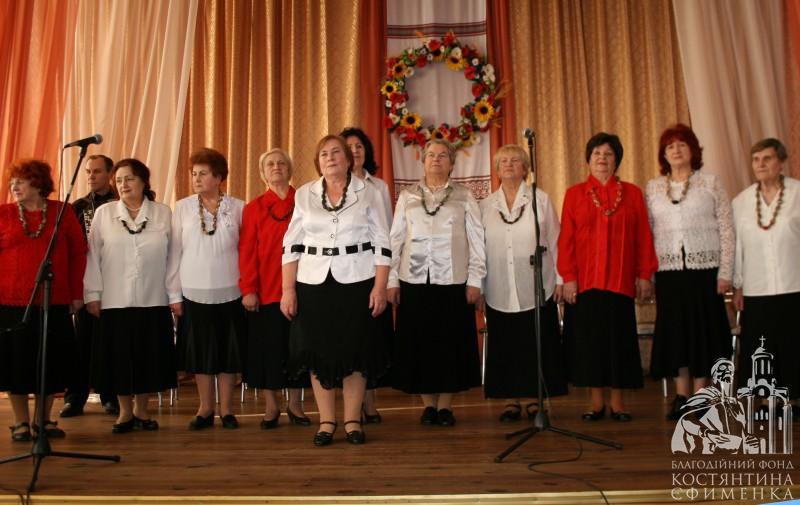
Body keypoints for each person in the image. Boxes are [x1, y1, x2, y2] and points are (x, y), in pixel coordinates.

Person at [281, 134, 391, 446]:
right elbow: (291, 244)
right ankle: (327, 421)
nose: (330, 158)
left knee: (354, 351)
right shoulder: (305, 194)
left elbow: (383, 242)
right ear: (318, 162)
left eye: (336, 152)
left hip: (357, 280)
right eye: (324, 154)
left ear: (348, 158)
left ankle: (353, 420)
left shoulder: (369, 192)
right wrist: (288, 289)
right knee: (317, 352)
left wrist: (380, 287)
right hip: (313, 283)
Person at [558, 132, 658, 422]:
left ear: (617, 160)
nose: (602, 158)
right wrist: (569, 277)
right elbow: (566, 240)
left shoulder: (633, 194)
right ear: (588, 159)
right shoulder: (574, 194)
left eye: (608, 154)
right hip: (585, 283)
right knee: (591, 345)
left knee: (618, 344)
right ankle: (596, 403)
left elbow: (643, 237)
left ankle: (618, 403)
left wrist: (644, 274)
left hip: (620, 282)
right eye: (597, 153)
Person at [388, 138, 485, 427]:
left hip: (452, 281)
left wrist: (475, 279)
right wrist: (392, 280)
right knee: (419, 343)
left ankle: (445, 407)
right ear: (423, 160)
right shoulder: (407, 196)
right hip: (413, 280)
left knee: (449, 344)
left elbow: (477, 240)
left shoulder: (464, 196)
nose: (436, 159)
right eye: (431, 154)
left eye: (443, 155)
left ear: (452, 163)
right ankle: (428, 405)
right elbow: (395, 240)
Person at [84, 158, 181, 434]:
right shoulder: (104, 214)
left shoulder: (162, 213)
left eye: (129, 178)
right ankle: (124, 412)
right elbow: (93, 257)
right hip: (113, 299)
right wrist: (92, 293)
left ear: (143, 181)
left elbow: (173, 257)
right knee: (119, 358)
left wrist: (174, 295)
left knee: (148, 356)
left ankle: (142, 410)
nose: (123, 184)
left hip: (154, 297)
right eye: (118, 180)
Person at [645, 124, 734, 420]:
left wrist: (726, 272)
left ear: (693, 150)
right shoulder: (653, 188)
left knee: (703, 332)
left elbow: (726, 228)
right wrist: (648, 274)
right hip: (668, 272)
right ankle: (682, 396)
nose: (676, 150)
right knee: (676, 333)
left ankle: (701, 395)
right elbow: (647, 233)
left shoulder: (711, 183)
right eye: (670, 146)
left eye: (682, 144)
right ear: (664, 154)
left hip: (705, 270)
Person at [479, 144, 566, 422]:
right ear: (496, 169)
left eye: (515, 160)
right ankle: (510, 399)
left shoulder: (540, 199)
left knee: (534, 344)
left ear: (526, 168)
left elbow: (556, 241)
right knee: (506, 344)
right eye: (503, 161)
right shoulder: (485, 205)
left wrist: (561, 279)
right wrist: (478, 286)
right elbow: (477, 249)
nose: (508, 164)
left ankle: (533, 399)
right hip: (498, 286)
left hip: (537, 284)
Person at [0, 159, 86, 441]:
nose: (14, 186)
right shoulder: (4, 213)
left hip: (54, 300)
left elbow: (78, 253)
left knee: (50, 362)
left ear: (38, 183)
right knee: (17, 364)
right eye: (12, 182)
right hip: (11, 303)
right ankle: (21, 422)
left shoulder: (62, 211)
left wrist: (76, 293)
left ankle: (44, 420)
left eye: (20, 181)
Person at [171, 148, 246, 430]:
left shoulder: (238, 207)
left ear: (218, 177)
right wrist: (174, 294)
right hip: (193, 292)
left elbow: (246, 251)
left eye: (203, 173)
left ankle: (227, 410)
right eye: (194, 174)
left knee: (228, 353)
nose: (197, 178)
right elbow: (173, 254)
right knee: (201, 354)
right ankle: (205, 409)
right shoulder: (182, 208)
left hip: (231, 292)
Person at [239, 148, 310, 429]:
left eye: (281, 163)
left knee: (297, 350)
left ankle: (296, 404)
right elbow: (247, 252)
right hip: (265, 290)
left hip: (302, 288)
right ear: (262, 173)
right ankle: (271, 406)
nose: (276, 167)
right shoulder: (253, 208)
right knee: (267, 350)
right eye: (270, 164)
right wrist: (249, 289)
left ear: (290, 169)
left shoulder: (304, 201)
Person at [732, 138, 800, 416]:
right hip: (756, 287)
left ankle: (792, 401)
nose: (760, 164)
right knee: (761, 345)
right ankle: (764, 402)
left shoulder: (797, 193)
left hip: (793, 283)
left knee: (792, 343)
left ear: (781, 162)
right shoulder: (741, 201)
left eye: (767, 158)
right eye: (756, 159)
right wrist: (738, 285)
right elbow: (738, 247)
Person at [340, 126, 393, 424]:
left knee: (370, 340)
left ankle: (369, 403)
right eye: (349, 147)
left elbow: (387, 232)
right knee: (349, 339)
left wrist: (384, 279)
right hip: (344, 274)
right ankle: (352, 406)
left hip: (374, 274)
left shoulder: (379, 187)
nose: (355, 151)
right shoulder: (332, 186)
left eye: (359, 146)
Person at [61, 154, 120, 418]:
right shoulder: (79, 206)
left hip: (116, 280)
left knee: (110, 340)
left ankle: (110, 395)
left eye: (96, 171)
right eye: (88, 172)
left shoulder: (120, 204)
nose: (91, 176)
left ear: (109, 174)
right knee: (82, 340)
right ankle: (75, 397)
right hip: (86, 279)